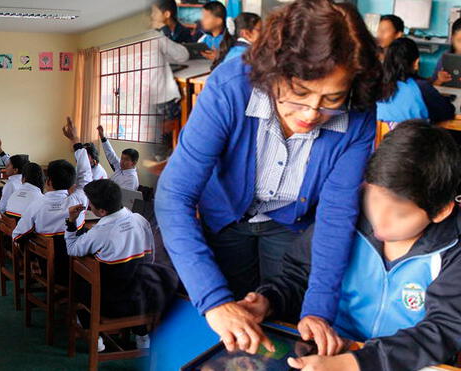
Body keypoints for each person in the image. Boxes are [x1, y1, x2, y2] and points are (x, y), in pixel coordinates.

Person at [155, 0, 381, 354]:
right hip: (225, 217)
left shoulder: (359, 115)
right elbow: (174, 196)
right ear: (274, 69)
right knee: (226, 330)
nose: (310, 114)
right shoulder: (230, 87)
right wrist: (214, 302)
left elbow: (336, 215)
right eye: (300, 93)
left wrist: (318, 311)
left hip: (292, 225)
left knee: (283, 321)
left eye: (332, 99)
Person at [236, 121, 461, 371]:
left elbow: (443, 331)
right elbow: (298, 276)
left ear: (440, 211)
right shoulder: (345, 216)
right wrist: (269, 300)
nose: (380, 220)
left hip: (407, 364)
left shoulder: (453, 250)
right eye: (374, 198)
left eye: (400, 214)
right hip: (331, 350)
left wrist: (352, 364)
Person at [66, 179, 178, 351]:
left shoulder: (100, 232)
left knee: (78, 284)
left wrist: (71, 223)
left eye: (91, 205)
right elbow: (152, 257)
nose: (89, 207)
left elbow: (72, 249)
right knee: (131, 277)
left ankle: (95, 336)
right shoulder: (141, 221)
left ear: (102, 211)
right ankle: (142, 335)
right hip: (144, 299)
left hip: (112, 306)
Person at [12, 118, 92, 285]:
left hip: (49, 272)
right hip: (77, 272)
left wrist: (31, 257)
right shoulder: (78, 200)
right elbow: (85, 173)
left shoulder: (36, 205)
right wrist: (75, 139)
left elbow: (17, 235)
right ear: (72, 184)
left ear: (48, 182)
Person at [378, 38, 455, 125]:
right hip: (414, 137)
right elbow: (448, 112)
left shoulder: (377, 86)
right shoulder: (421, 87)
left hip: (384, 137)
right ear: (416, 63)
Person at [97, 125, 139, 191]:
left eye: (126, 159)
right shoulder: (121, 167)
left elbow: (121, 197)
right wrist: (102, 137)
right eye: (122, 158)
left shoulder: (131, 179)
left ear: (133, 163)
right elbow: (111, 154)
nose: (122, 161)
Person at [432, 18, 461, 86]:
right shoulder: (445, 57)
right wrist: (439, 80)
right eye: (460, 41)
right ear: (452, 39)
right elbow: (433, 88)